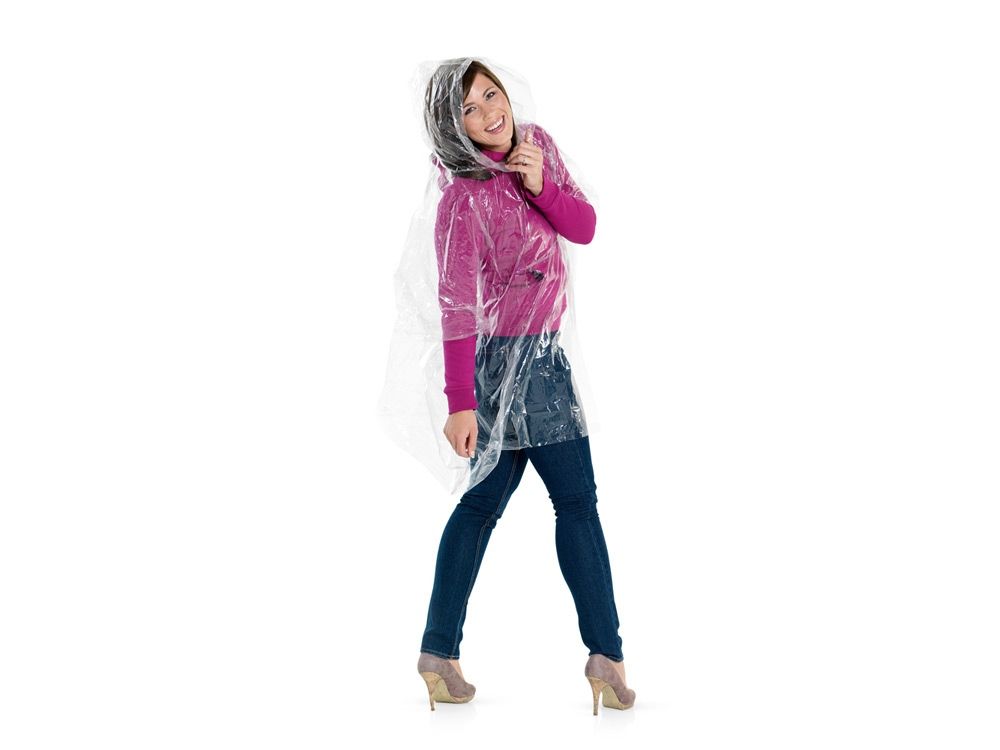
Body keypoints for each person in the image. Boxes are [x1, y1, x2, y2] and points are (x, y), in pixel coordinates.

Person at [412, 58, 636, 715]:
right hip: (510, 367)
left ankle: (438, 652)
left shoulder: (536, 149)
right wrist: (460, 403)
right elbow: (457, 304)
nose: (490, 113)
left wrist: (541, 185)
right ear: (453, 128)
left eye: (492, 94)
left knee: (488, 505)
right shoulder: (462, 199)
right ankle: (606, 656)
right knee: (575, 504)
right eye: (469, 109)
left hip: (538, 359)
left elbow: (583, 227)